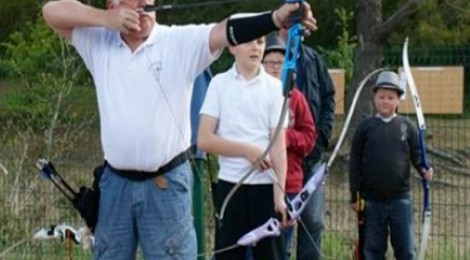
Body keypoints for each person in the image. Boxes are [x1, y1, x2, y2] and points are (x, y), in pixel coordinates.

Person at [41, 0, 317, 259]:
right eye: (135, 2)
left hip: (166, 185)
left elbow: (226, 30)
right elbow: (51, 11)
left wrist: (274, 18)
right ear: (114, 6)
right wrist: (104, 19)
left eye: (148, 3)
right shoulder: (99, 41)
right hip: (115, 185)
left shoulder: (177, 41)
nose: (144, 7)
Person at [198, 36, 288, 259]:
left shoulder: (276, 87)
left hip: (266, 188)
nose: (256, 48)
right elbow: (204, 140)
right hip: (231, 187)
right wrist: (248, 150)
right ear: (233, 47)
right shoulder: (219, 83)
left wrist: (279, 196)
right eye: (249, 42)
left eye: (260, 42)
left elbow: (278, 146)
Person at [348, 71, 433, 260]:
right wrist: (355, 193)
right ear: (374, 98)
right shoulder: (365, 127)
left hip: (400, 199)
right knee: (373, 250)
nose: (385, 101)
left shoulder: (406, 126)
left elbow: (418, 155)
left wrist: (424, 169)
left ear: (398, 100)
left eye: (390, 97)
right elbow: (354, 161)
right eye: (381, 97)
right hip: (372, 200)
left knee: (405, 249)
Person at [278, 28, 336, 260]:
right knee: (281, 223)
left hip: (310, 154)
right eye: (288, 24)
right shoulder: (270, 57)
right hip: (281, 160)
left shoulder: (313, 60)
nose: (293, 30)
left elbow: (328, 97)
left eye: (299, 25)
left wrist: (320, 137)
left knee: (313, 221)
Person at [262, 34, 317, 260]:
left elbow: (309, 138)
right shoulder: (254, 96)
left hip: (290, 182)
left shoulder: (296, 98)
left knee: (281, 247)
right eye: (269, 62)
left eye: (280, 62)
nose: (275, 68)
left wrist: (285, 137)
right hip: (258, 180)